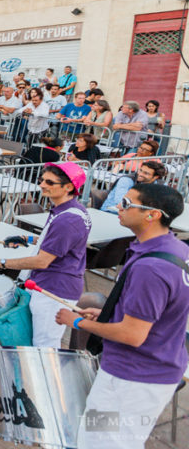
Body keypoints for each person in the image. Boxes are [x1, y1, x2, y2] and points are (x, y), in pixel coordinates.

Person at [55, 183, 188, 449]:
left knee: (101, 443)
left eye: (127, 203)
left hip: (132, 379)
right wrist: (109, 313)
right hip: (147, 372)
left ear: (152, 215)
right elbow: (157, 313)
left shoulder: (151, 267)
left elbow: (132, 334)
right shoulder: (176, 249)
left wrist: (78, 322)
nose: (118, 206)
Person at [0, 162, 90, 347]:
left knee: (44, 348)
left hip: (54, 290)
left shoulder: (68, 220)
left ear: (69, 187)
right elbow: (57, 243)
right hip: (49, 285)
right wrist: (27, 239)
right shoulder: (69, 211)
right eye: (42, 180)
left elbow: (43, 261)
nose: (42, 185)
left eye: (50, 182)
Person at [101, 160, 166, 214]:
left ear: (156, 177)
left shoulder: (161, 184)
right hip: (111, 212)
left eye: (146, 173)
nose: (140, 174)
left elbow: (165, 203)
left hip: (138, 215)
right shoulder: (127, 180)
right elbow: (121, 202)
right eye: (140, 170)